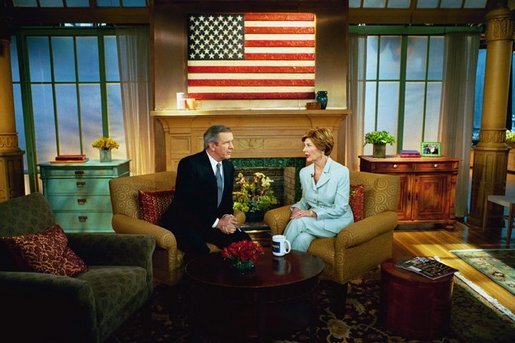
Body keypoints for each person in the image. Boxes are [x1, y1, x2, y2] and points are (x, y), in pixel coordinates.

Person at [160, 124, 251, 259]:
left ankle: (234, 279)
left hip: (210, 223)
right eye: (227, 143)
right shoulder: (189, 164)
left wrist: (227, 217)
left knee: (244, 241)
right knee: (200, 251)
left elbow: (226, 200)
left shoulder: (228, 166)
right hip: (184, 222)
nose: (232, 146)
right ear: (212, 145)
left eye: (232, 141)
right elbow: (187, 206)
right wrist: (218, 223)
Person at [284, 127, 354, 252]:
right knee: (301, 240)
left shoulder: (341, 172)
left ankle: (278, 254)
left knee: (299, 222)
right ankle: (294, 270)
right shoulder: (304, 173)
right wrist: (296, 209)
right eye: (304, 145)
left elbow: (340, 208)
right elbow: (305, 200)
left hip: (337, 221)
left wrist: (312, 213)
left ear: (322, 147)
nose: (304, 150)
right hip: (316, 223)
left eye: (308, 145)